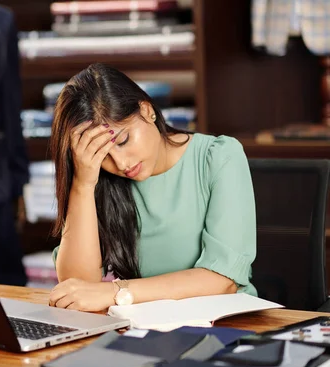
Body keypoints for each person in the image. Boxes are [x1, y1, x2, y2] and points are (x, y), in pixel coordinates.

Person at [48, 63, 256, 312]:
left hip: (226, 325)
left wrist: (116, 292)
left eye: (123, 140)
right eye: (103, 156)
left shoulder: (219, 157)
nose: (122, 163)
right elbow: (77, 289)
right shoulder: (98, 179)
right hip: (145, 329)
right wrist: (82, 184)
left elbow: (223, 281)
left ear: (147, 111)